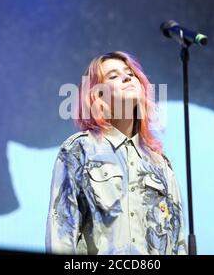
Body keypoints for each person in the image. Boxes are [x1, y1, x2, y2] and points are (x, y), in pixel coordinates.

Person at [45, 51, 187, 255]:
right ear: (97, 95)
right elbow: (61, 234)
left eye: (130, 73)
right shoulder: (80, 150)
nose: (127, 77)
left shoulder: (159, 164)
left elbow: (177, 242)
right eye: (113, 76)